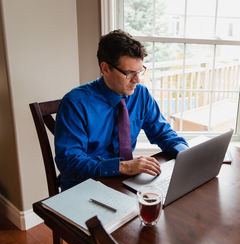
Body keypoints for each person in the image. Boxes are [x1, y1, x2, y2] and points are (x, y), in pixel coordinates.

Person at [55, 29, 188, 191]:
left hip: (122, 183)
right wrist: (122, 167)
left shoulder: (141, 95)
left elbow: (163, 134)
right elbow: (70, 163)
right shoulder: (75, 103)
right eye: (129, 73)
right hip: (83, 187)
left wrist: (187, 154)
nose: (137, 80)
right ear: (105, 68)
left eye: (139, 71)